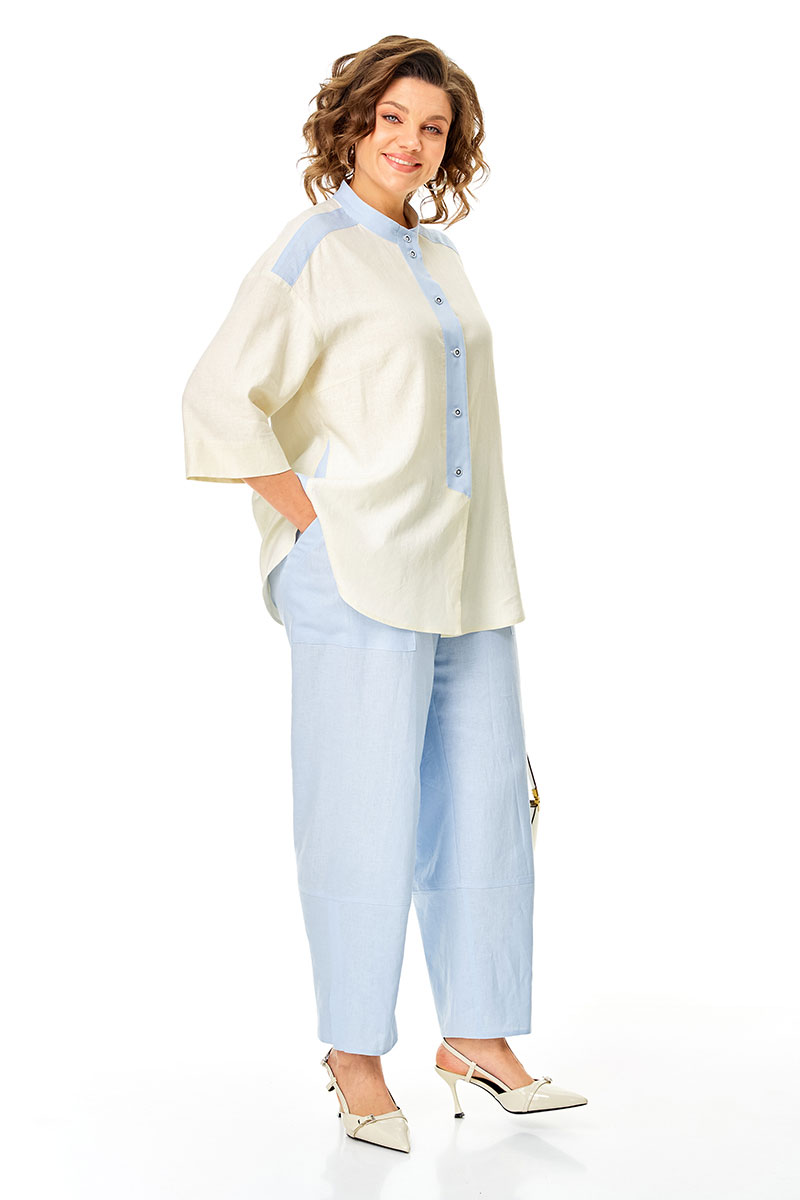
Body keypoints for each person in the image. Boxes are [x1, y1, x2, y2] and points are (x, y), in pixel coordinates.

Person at [181, 35, 587, 1154]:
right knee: (360, 814)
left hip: (465, 572)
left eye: (433, 127)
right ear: (352, 123)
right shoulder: (312, 247)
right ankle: (354, 1055)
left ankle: (478, 1037)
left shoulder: (440, 255)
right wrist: (313, 517)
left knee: (487, 801)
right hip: (356, 573)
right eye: (392, 118)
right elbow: (217, 397)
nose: (411, 141)